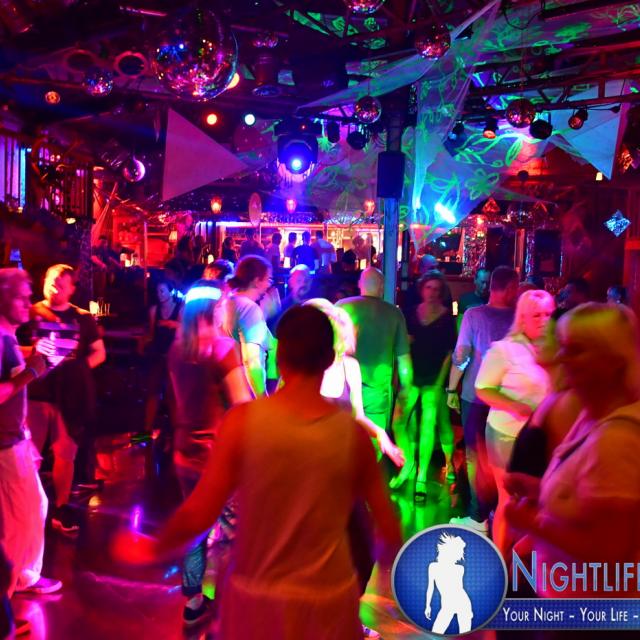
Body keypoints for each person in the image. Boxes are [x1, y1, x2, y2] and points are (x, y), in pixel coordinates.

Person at [114, 305, 402, 640]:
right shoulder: (352, 437)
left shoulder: (242, 423)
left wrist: (150, 550)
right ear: (328, 360)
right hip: (327, 599)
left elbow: (198, 513)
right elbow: (385, 529)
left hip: (258, 599)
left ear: (280, 358)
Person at [504, 304, 640, 611]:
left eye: (576, 350)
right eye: (563, 346)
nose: (562, 357)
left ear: (613, 361)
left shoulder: (617, 438)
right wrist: (538, 488)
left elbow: (609, 552)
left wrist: (532, 524)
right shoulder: (592, 416)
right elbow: (589, 502)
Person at [168, 281, 253, 626]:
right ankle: (232, 604)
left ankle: (193, 603)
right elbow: (242, 404)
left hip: (184, 453)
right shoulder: (223, 348)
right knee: (233, 532)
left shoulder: (177, 349)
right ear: (214, 310)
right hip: (219, 458)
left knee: (195, 531)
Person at [25, 264, 106, 534]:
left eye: (61, 283)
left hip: (68, 398)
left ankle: (60, 509)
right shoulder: (30, 313)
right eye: (51, 281)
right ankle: (27, 508)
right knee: (28, 455)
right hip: (36, 394)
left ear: (71, 289)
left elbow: (99, 353)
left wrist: (77, 372)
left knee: (64, 454)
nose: (55, 287)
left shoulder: (82, 318)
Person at [474, 289, 554, 555]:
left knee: (538, 501)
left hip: (541, 437)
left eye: (548, 314)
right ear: (522, 317)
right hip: (507, 433)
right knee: (508, 498)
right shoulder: (505, 349)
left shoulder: (554, 349)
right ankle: (500, 558)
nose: (544, 320)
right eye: (537, 315)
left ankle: (521, 557)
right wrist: (514, 405)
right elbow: (482, 387)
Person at [0, 268, 60, 596]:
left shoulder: (8, 337)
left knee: (35, 505)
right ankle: (7, 597)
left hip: (15, 440)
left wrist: (39, 363)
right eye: (20, 297)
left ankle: (23, 578)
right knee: (18, 520)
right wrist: (31, 373)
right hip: (4, 447)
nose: (28, 302)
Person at [447, 265, 518, 533]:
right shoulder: (518, 318)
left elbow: (462, 355)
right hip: (508, 398)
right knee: (505, 456)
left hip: (475, 395)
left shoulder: (474, 315)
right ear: (511, 288)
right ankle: (501, 512)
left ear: (492, 286)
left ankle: (478, 516)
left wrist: (451, 389)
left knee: (476, 456)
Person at [396, 271, 456, 500]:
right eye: (428, 287)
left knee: (428, 425)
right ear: (422, 289)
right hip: (412, 375)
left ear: (441, 292)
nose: (431, 292)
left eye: (436, 289)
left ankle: (421, 476)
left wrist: (440, 382)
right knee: (400, 421)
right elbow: (403, 346)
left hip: (433, 376)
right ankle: (409, 463)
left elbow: (449, 354)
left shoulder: (446, 318)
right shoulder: (410, 313)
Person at [337, 267, 413, 433]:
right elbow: (404, 361)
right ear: (382, 287)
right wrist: (405, 390)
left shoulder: (341, 307)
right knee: (374, 440)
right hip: (377, 395)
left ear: (360, 284)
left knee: (344, 438)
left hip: (343, 390)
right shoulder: (394, 313)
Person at [219, 256, 272, 396]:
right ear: (256, 281)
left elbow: (270, 343)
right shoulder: (250, 309)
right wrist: (262, 398)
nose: (269, 285)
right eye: (267, 279)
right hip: (245, 391)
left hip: (228, 389)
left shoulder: (227, 301)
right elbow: (251, 360)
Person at [143, 278, 182, 434]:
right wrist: (143, 341)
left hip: (174, 357)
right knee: (152, 393)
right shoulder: (154, 310)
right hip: (158, 355)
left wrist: (174, 325)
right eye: (157, 291)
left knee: (173, 396)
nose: (159, 294)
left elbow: (186, 332)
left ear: (171, 292)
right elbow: (152, 334)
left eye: (162, 291)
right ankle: (146, 433)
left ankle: (175, 433)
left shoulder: (180, 309)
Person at [267, 264, 312, 333]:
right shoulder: (280, 308)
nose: (303, 284)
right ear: (291, 283)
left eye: (306, 280)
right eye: (299, 280)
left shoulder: (317, 306)